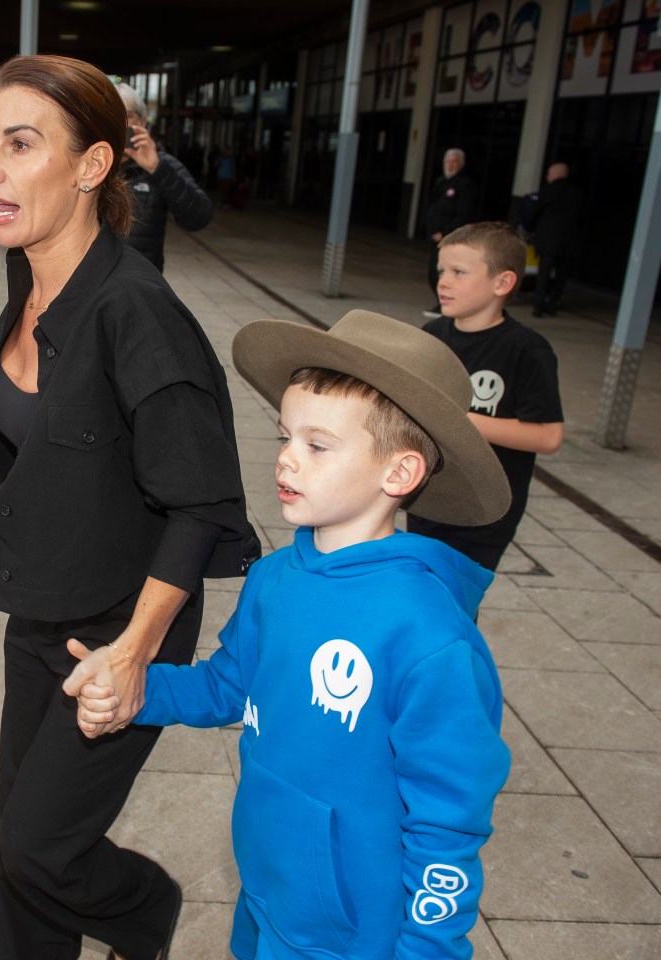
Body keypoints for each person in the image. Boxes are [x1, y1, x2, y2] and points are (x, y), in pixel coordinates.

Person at [66, 308, 513, 960]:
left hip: (353, 931)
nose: (287, 462)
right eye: (285, 438)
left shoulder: (429, 636)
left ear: (399, 474)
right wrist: (140, 690)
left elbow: (448, 823)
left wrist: (428, 951)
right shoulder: (274, 579)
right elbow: (228, 684)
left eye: (318, 446)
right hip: (269, 887)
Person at [0, 54, 255, 960]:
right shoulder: (30, 280)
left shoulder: (137, 311)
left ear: (93, 166)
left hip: (121, 622)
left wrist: (133, 655)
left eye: (21, 144)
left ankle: (142, 911)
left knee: (38, 845)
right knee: (15, 852)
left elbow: (204, 502)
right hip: (41, 605)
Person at [408, 221, 564, 571]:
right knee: (420, 592)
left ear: (502, 282)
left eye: (458, 272)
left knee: (453, 602)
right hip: (427, 498)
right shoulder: (432, 334)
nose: (443, 282)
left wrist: (463, 422)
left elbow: (549, 436)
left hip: (484, 511)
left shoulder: (526, 350)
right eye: (441, 271)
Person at [114, 82, 212, 272]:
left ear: (142, 123)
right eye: (109, 115)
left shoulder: (161, 164)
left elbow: (199, 217)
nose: (117, 123)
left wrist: (156, 168)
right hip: (90, 282)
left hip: (139, 283)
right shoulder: (89, 161)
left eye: (126, 115)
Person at [526, 161, 586, 317]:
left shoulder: (548, 191)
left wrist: (530, 228)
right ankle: (552, 303)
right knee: (562, 275)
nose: (547, 176)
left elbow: (535, 212)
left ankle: (538, 304)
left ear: (556, 174)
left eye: (549, 173)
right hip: (569, 242)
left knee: (543, 273)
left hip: (548, 241)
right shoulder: (577, 194)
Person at [423, 147, 478, 317]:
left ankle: (447, 307)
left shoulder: (465, 185)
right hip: (435, 237)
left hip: (451, 239)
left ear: (461, 165)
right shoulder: (441, 182)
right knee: (433, 272)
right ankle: (443, 305)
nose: (451, 165)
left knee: (441, 272)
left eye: (455, 162)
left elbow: (464, 214)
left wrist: (446, 232)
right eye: (448, 161)